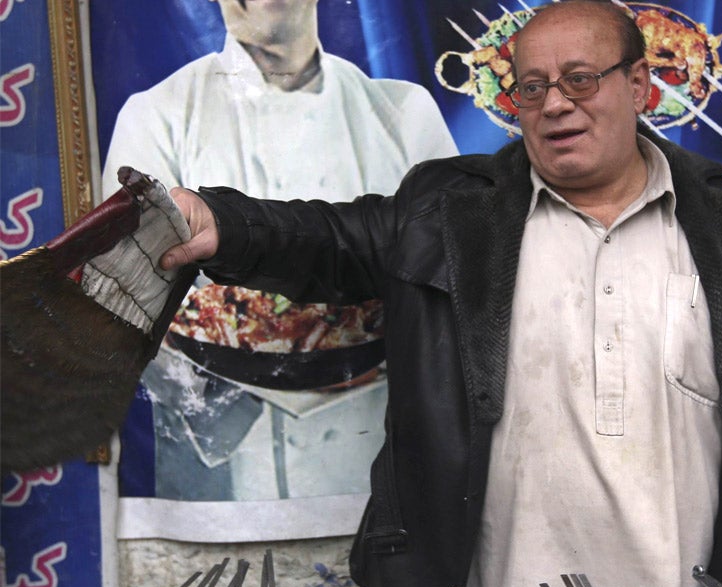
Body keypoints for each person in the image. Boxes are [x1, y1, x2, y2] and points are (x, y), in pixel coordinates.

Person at [160, 0, 722, 587]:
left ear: (638, 85)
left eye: (579, 79)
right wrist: (221, 223)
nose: (555, 106)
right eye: (532, 87)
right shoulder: (451, 213)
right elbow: (330, 239)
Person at [99, 0, 457, 501]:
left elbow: (454, 280)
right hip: (221, 457)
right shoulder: (155, 115)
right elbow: (126, 300)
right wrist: (223, 413)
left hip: (387, 437)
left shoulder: (402, 112)